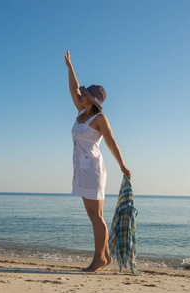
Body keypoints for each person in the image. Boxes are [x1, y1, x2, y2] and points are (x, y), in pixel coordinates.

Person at [65, 50, 131, 272]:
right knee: (95, 216)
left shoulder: (99, 118)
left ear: (92, 100)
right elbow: (73, 88)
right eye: (82, 93)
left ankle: (99, 259)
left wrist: (122, 165)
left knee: (96, 217)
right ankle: (105, 257)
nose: (80, 95)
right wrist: (69, 66)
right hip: (82, 169)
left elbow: (111, 143)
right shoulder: (82, 112)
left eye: (84, 94)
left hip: (93, 169)